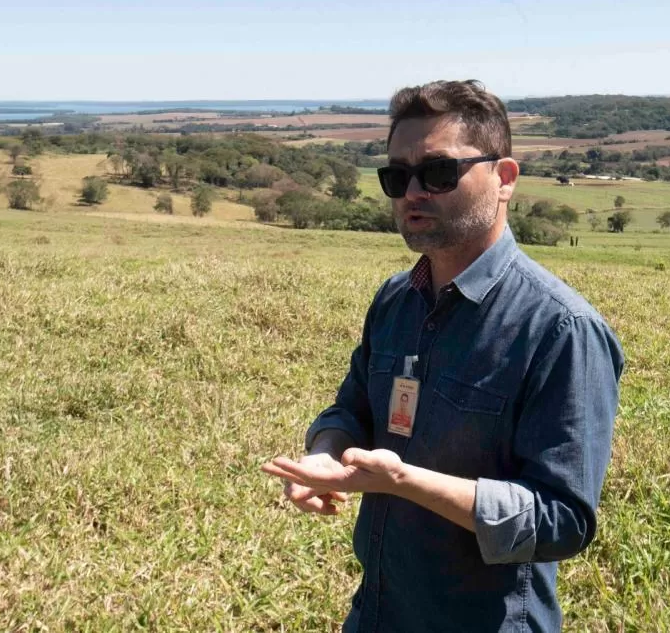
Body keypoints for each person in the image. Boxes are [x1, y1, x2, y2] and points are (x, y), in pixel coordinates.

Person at [262, 80, 624, 632]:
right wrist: (325, 452)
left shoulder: (560, 329)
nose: (412, 192)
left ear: (504, 179)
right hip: (377, 613)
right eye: (396, 176)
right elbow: (352, 408)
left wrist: (404, 481)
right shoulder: (395, 300)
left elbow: (562, 520)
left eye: (437, 173)